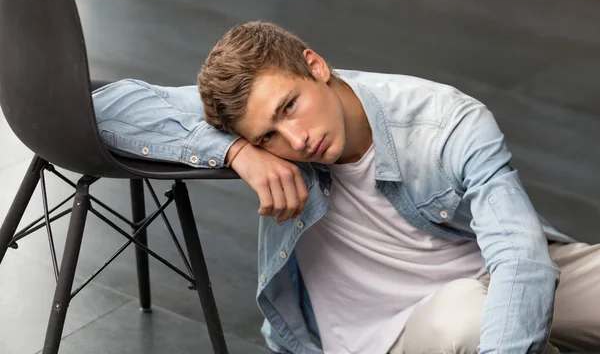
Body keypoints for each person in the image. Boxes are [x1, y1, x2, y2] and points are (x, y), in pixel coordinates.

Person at [92, 21, 600, 354]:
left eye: (290, 106)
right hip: (394, 333)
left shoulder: (446, 122)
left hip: (487, 267)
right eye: (269, 135)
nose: (294, 140)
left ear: (315, 65)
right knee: (470, 318)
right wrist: (237, 151)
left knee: (515, 298)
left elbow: (521, 260)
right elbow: (102, 108)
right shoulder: (251, 127)